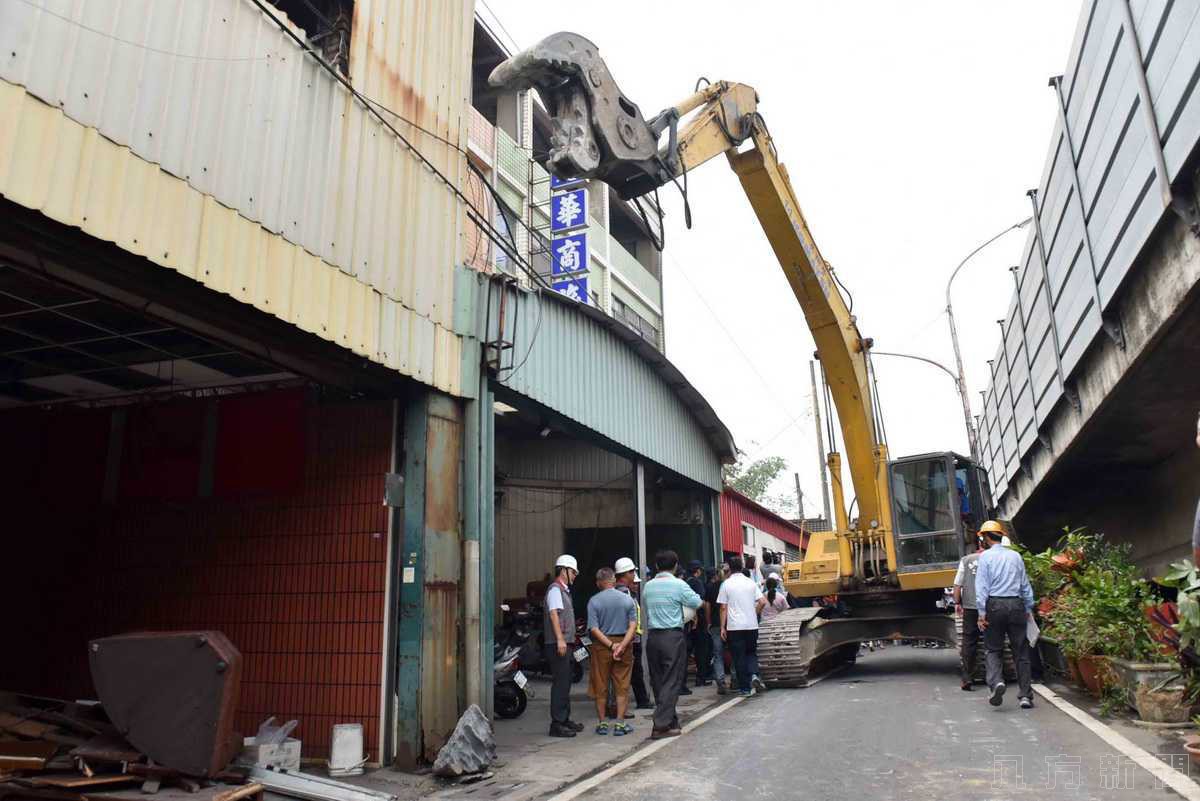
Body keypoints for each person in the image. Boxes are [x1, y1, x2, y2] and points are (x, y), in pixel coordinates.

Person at [641, 549, 701, 739]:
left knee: (658, 681)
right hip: (672, 637)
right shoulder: (679, 585)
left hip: (653, 638)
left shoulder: (648, 586)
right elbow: (697, 602)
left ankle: (671, 721)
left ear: (657, 566)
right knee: (672, 680)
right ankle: (660, 725)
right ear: (675, 566)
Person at [975, 522, 1035, 709]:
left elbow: (982, 588)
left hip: (994, 606)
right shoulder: (1015, 556)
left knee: (993, 649)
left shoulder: (985, 558)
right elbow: (1025, 585)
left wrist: (981, 613)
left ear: (986, 537)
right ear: (1001, 536)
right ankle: (1025, 695)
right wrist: (1028, 607)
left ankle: (996, 683)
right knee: (1021, 652)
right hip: (1016, 605)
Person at [586, 567, 637, 736]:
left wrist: (610, 645)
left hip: (602, 646)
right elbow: (633, 626)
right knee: (622, 686)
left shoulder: (593, 601)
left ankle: (602, 724)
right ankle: (620, 724)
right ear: (614, 581)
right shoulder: (627, 599)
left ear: (599, 583)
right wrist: (621, 645)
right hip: (624, 644)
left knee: (600, 685)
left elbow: (593, 628)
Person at [544, 554, 583, 737]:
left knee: (566, 681)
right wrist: (560, 639)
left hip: (565, 642)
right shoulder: (555, 590)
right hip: (558, 643)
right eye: (573, 572)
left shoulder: (564, 590)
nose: (575, 575)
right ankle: (557, 723)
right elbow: (553, 614)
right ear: (564, 570)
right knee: (560, 683)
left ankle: (565, 719)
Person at [718, 555, 767, 697]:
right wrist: (754, 613)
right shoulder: (750, 583)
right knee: (751, 652)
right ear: (742, 566)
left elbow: (722, 607)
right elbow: (763, 602)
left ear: (730, 568)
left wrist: (722, 627)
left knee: (739, 657)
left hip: (734, 627)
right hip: (752, 625)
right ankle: (754, 675)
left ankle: (745, 689)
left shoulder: (726, 584)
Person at [613, 557, 652, 710]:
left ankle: (638, 701)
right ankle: (632, 703)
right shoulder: (624, 594)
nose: (635, 581)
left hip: (631, 638)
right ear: (626, 574)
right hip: (629, 640)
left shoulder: (625, 593)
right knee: (630, 673)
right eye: (632, 573)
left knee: (633, 672)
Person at [953, 533, 990, 690]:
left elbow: (957, 585)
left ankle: (967, 677)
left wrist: (957, 602)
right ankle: (996, 676)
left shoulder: (966, 560)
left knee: (969, 641)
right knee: (993, 639)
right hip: (990, 605)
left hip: (970, 606)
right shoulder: (994, 558)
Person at [685, 561, 712, 688]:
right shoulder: (697, 583)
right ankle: (701, 678)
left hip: (686, 622)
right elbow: (702, 602)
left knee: (687, 650)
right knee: (702, 650)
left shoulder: (684, 582)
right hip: (699, 621)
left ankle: (683, 681)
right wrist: (706, 621)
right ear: (698, 571)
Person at [703, 567, 728, 694]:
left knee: (718, 654)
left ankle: (720, 679)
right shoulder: (729, 586)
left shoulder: (710, 587)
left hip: (715, 624)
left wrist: (708, 622)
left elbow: (706, 606)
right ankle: (735, 679)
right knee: (733, 651)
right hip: (731, 624)